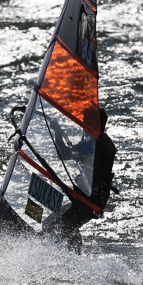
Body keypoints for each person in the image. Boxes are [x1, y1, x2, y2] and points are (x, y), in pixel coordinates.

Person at [46, 106, 116, 252]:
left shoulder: (105, 144)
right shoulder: (88, 140)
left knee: (53, 229)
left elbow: (101, 162)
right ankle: (77, 259)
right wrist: (58, 133)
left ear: (94, 123)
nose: (81, 124)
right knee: (53, 222)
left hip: (93, 200)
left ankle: (74, 260)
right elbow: (65, 155)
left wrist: (83, 158)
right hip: (82, 196)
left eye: (85, 121)